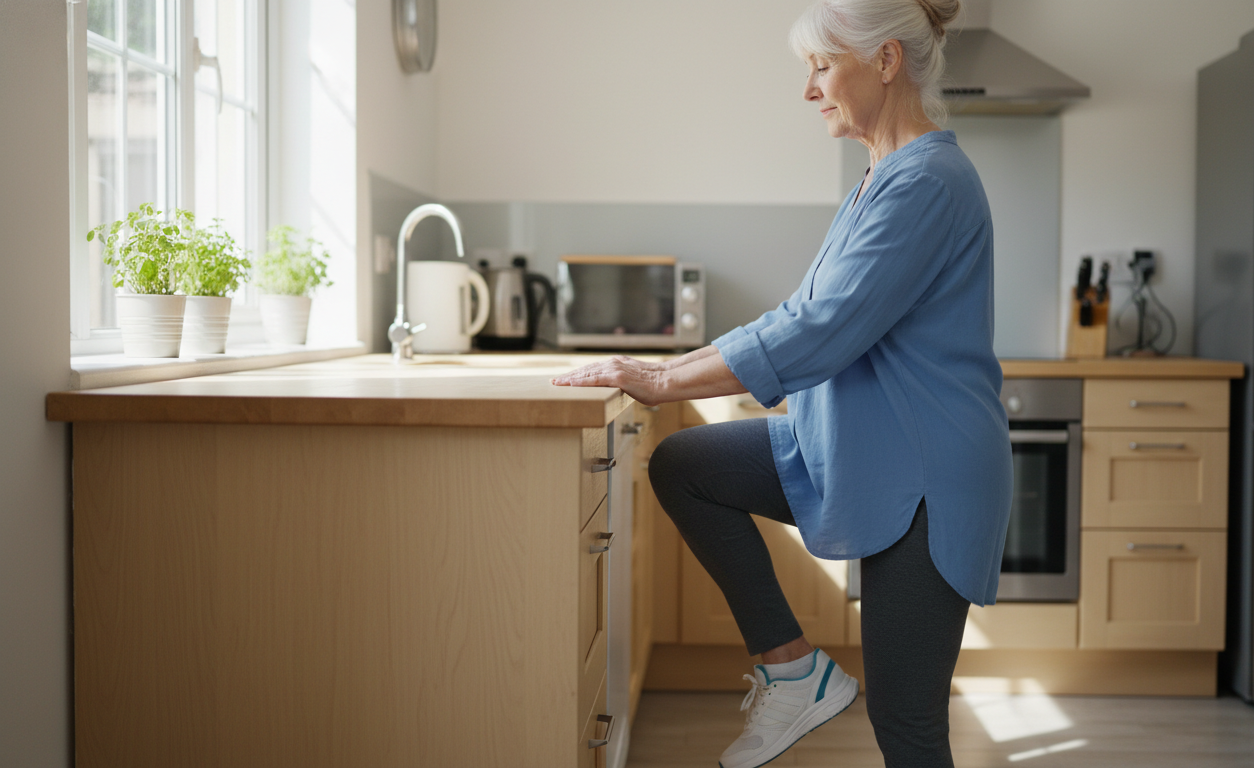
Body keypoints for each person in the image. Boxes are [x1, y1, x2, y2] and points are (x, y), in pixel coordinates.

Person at [552, 0, 1012, 765]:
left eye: (822, 66)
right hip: (853, 447)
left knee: (906, 719)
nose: (809, 89)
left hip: (925, 474)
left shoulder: (927, 182)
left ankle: (801, 677)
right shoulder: (881, 178)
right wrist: (664, 372)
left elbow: (821, 329)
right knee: (686, 466)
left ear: (886, 61)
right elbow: (801, 313)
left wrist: (663, 378)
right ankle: (794, 670)